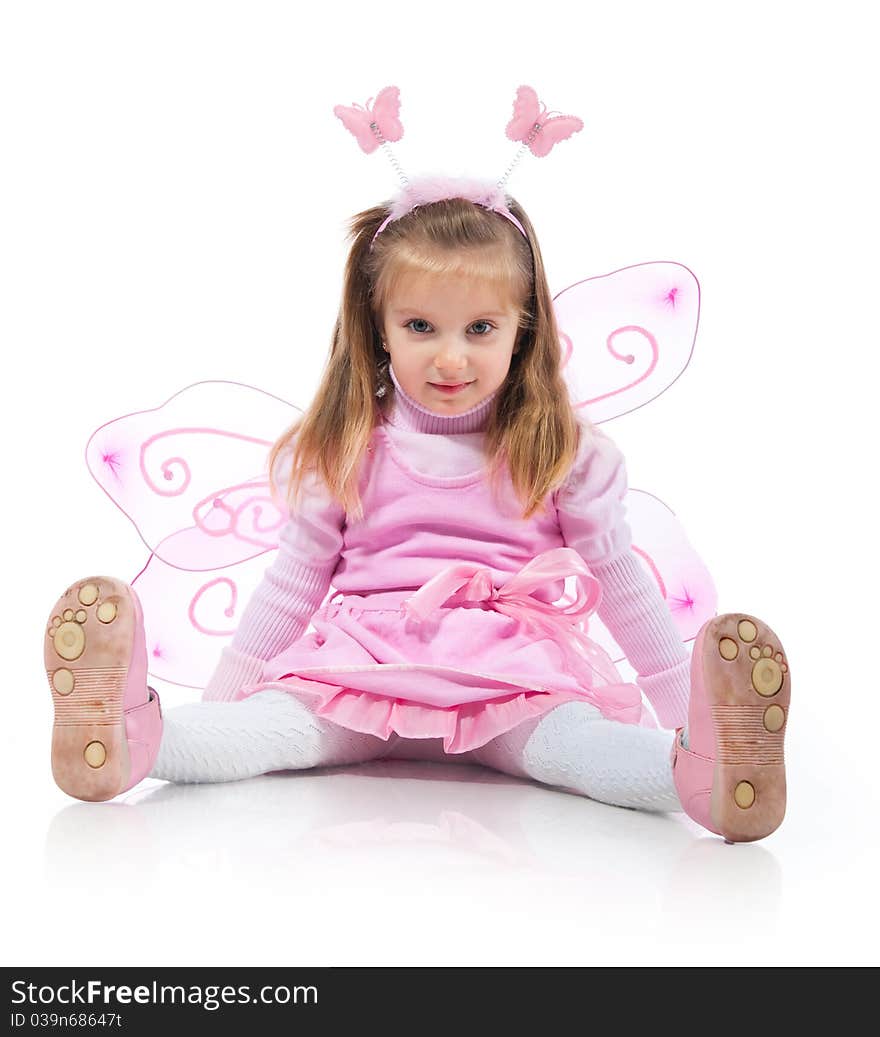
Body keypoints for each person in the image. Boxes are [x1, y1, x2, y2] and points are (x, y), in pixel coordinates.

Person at [43, 90, 790, 843]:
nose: (452, 355)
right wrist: (221, 704)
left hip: (508, 678)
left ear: (523, 329)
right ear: (380, 326)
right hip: (359, 670)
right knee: (269, 733)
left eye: (481, 328)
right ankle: (133, 733)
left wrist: (678, 703)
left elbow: (622, 583)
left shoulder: (561, 450)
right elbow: (293, 582)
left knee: (578, 748)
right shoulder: (346, 444)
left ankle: (705, 764)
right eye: (421, 326)